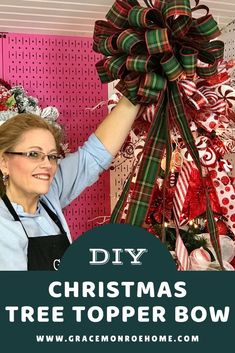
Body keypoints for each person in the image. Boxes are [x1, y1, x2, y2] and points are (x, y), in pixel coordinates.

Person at [0, 96, 140, 271]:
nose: (47, 165)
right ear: (4, 162)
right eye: (34, 154)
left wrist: (138, 89)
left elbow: (94, 155)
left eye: (52, 156)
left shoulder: (50, 194)